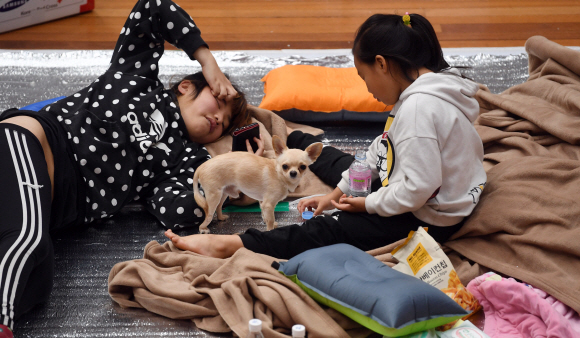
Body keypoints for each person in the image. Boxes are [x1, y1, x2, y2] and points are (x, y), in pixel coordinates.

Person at [0, 0, 261, 335]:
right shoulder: (137, 77)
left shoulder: (186, 160)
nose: (217, 118)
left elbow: (178, 211)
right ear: (186, 85)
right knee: (27, 242)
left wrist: (235, 175)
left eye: (223, 124)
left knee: (37, 279)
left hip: (46, 205)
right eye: (219, 100)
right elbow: (152, 8)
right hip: (33, 144)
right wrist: (208, 62)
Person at [164, 13, 487, 261]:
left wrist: (366, 205)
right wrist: (334, 195)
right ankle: (301, 142)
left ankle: (229, 244)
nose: (368, 89)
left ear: (382, 64)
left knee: (328, 230)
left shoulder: (419, 110)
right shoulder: (431, 90)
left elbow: (417, 191)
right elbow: (379, 152)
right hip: (422, 188)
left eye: (363, 77)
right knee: (348, 165)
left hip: (430, 216)